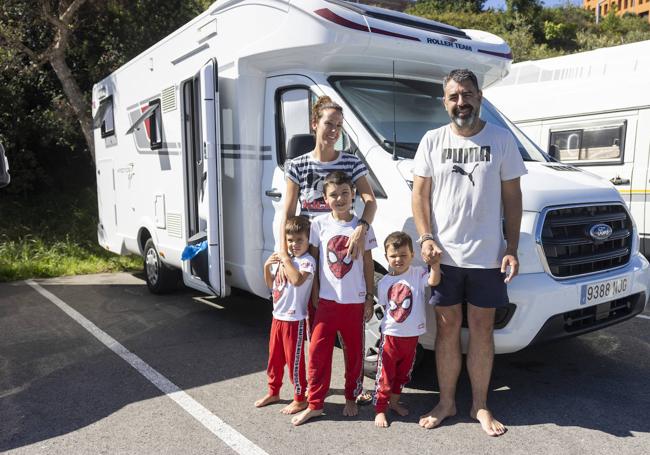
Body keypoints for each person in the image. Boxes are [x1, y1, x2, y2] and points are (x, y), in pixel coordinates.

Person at [411, 68, 526, 436]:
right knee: (446, 331)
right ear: (445, 102)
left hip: (487, 258)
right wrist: (426, 237)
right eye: (454, 96)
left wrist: (512, 247)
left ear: (479, 96)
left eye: (467, 94)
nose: (461, 102)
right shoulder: (431, 140)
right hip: (443, 257)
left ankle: (480, 404)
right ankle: (447, 402)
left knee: (481, 329)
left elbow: (513, 197)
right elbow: (420, 195)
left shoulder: (502, 139)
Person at [281, 95, 377, 404]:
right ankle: (309, 393)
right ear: (314, 124)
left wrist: (362, 226)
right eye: (328, 124)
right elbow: (288, 211)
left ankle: (353, 390)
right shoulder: (297, 165)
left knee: (348, 334)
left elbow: (369, 200)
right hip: (309, 258)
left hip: (342, 257)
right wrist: (284, 255)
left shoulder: (350, 161)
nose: (334, 130)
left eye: (338, 125)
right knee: (313, 333)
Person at [291, 171, 376, 426]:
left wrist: (369, 298)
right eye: (333, 195)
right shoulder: (319, 225)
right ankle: (315, 403)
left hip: (354, 301)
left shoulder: (361, 227)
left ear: (353, 195)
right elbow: (316, 258)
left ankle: (352, 395)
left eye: (344, 193)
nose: (339, 198)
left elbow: (368, 263)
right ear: (325, 199)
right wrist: (315, 290)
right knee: (318, 352)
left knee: (354, 353)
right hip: (327, 302)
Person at [373, 231, 440, 428]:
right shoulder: (385, 282)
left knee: (403, 374)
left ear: (412, 255)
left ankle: (394, 402)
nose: (398, 259)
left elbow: (433, 281)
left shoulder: (418, 273)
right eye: (393, 256)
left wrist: (435, 264)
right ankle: (380, 408)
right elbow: (387, 309)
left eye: (403, 255)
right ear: (386, 257)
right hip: (391, 337)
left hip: (411, 337)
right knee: (385, 373)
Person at [255, 216, 316, 415]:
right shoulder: (284, 260)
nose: (294, 244)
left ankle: (300, 398)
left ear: (308, 240)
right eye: (290, 240)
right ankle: (274, 391)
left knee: (294, 361)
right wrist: (267, 267)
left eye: (300, 240)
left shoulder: (307, 261)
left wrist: (286, 259)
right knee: (274, 359)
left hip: (294, 319)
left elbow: (297, 280)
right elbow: (272, 285)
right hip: (277, 317)